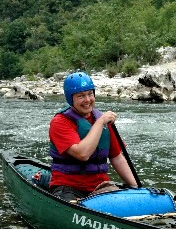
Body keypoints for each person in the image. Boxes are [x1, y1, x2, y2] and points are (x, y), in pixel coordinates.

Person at [48, 71, 138, 201]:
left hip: (100, 186)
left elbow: (117, 157)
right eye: (81, 96)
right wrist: (100, 122)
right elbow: (82, 154)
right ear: (70, 98)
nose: (87, 100)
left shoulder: (102, 119)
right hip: (68, 186)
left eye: (90, 94)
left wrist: (135, 186)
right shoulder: (60, 122)